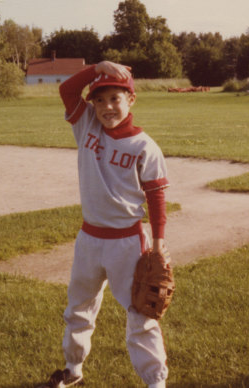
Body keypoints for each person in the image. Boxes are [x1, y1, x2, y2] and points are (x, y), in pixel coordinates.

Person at [40, 61, 170, 388]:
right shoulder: (87, 125)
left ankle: (156, 383)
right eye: (99, 99)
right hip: (88, 238)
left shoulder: (145, 146)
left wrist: (157, 243)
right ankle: (73, 370)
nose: (107, 106)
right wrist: (96, 67)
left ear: (131, 100)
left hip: (127, 242)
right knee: (78, 308)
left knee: (141, 313)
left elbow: (156, 196)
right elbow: (66, 90)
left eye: (116, 97)